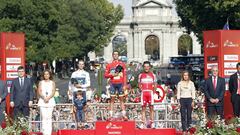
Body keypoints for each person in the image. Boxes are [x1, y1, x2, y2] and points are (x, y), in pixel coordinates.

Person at [104, 51, 127, 120]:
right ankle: (111, 116)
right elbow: (105, 75)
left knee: (121, 100)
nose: (115, 55)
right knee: (112, 100)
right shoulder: (109, 65)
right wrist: (112, 75)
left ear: (118, 55)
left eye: (117, 54)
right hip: (113, 84)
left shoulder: (122, 64)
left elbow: (125, 75)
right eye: (114, 54)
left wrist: (125, 85)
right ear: (112, 55)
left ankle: (124, 115)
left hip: (120, 84)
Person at [138, 61, 157, 128]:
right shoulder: (140, 75)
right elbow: (139, 84)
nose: (146, 68)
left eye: (147, 66)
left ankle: (152, 123)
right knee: (143, 108)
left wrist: (153, 92)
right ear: (143, 67)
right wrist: (141, 90)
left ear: (149, 67)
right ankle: (143, 123)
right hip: (144, 93)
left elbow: (155, 84)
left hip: (150, 93)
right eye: (145, 66)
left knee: (151, 108)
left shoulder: (153, 75)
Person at [37, 70, 56, 135]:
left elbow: (53, 92)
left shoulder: (52, 82)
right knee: (44, 117)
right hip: (42, 101)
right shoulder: (40, 82)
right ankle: (44, 132)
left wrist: (48, 97)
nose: (46, 75)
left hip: (50, 101)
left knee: (49, 117)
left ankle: (49, 133)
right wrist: (44, 97)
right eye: (45, 74)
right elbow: (39, 91)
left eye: (47, 74)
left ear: (49, 75)